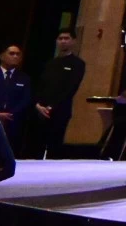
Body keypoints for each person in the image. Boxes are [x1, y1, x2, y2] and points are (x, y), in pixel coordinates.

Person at [31, 30, 86, 159]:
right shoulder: (50, 63)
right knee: (36, 145)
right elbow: (40, 86)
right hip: (40, 110)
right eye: (60, 38)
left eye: (66, 38)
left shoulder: (77, 64)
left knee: (54, 146)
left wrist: (52, 106)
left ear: (73, 41)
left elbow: (71, 88)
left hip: (60, 110)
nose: (63, 41)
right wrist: (38, 104)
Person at [0, 45, 31, 156]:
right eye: (11, 53)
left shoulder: (24, 78)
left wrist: (10, 114)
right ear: (2, 56)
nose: (15, 56)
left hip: (13, 123)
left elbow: (26, 100)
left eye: (18, 54)